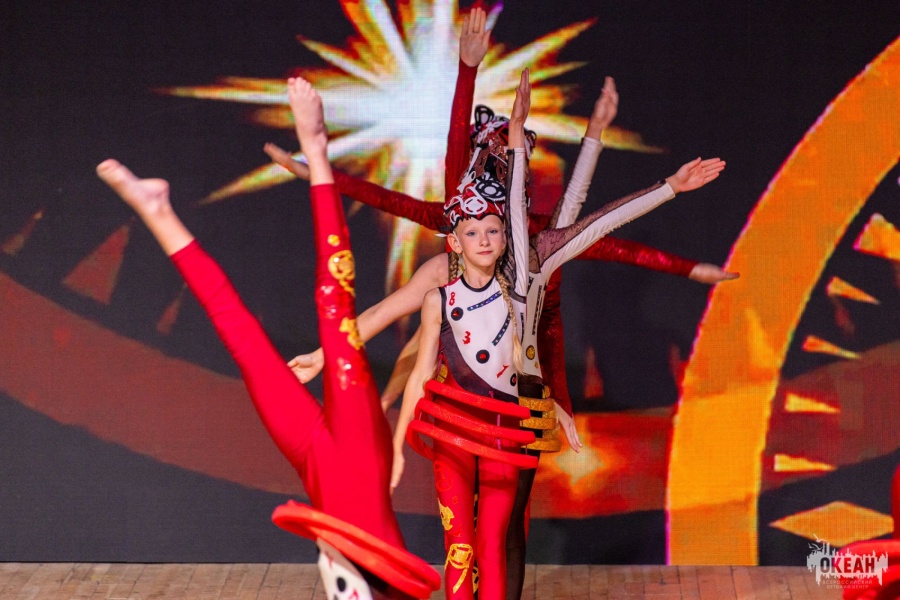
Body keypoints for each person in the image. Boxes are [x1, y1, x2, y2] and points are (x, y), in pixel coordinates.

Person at [95, 76, 440, 600]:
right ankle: (317, 151)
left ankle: (157, 211)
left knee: (244, 343)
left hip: (317, 466)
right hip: (360, 457)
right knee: (333, 303)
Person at [391, 69, 724, 599]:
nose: (486, 235)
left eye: (495, 226)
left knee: (502, 533)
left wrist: (667, 187)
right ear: (458, 237)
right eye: (474, 230)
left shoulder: (535, 262)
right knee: (461, 542)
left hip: (515, 413)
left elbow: (595, 221)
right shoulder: (450, 275)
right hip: (457, 417)